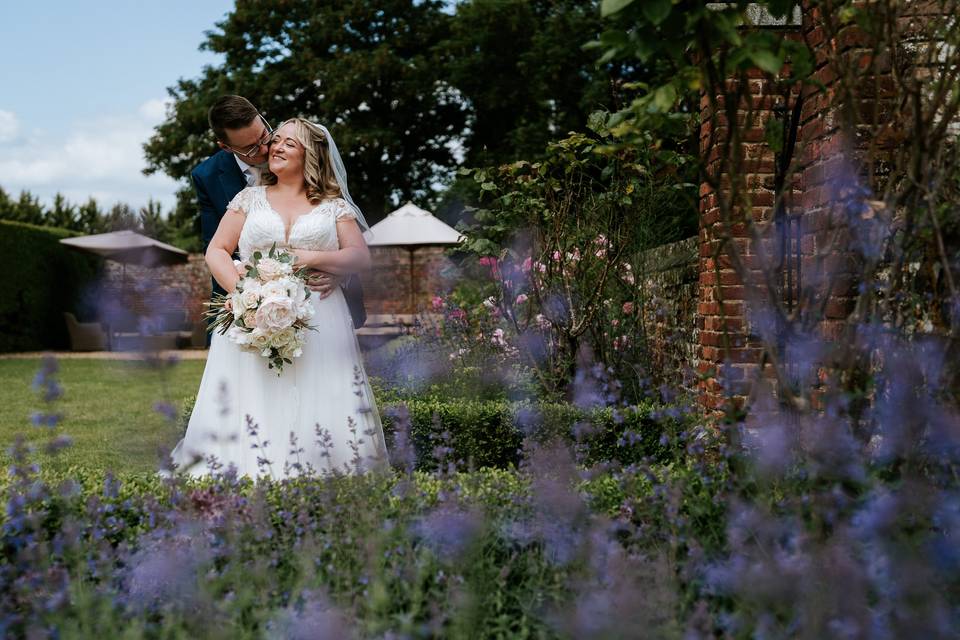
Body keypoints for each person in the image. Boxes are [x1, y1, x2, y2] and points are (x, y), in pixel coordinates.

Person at [168, 118, 388, 480]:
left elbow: (359, 257)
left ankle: (322, 468)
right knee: (254, 388)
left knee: (318, 388)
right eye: (277, 140)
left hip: (319, 316)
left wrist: (314, 258)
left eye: (290, 143)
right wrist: (245, 295)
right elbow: (217, 251)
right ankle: (250, 467)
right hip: (252, 313)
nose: (277, 147)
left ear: (311, 155)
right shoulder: (248, 198)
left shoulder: (333, 206)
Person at [191, 96, 365, 330]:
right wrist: (249, 296)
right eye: (252, 148)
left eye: (265, 135)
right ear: (226, 146)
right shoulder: (209, 177)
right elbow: (216, 248)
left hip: (320, 305)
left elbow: (341, 241)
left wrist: (336, 271)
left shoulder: (294, 141)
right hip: (252, 306)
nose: (267, 148)